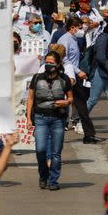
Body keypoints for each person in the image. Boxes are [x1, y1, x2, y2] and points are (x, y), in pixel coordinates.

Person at [27, 51, 74, 190]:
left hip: (58, 119)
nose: (48, 64)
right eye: (46, 62)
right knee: (40, 150)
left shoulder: (64, 79)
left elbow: (71, 98)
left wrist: (65, 103)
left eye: (51, 62)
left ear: (58, 64)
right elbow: (30, 98)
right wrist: (29, 118)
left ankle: (53, 181)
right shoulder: (37, 78)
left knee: (56, 153)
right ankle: (43, 175)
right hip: (40, 118)